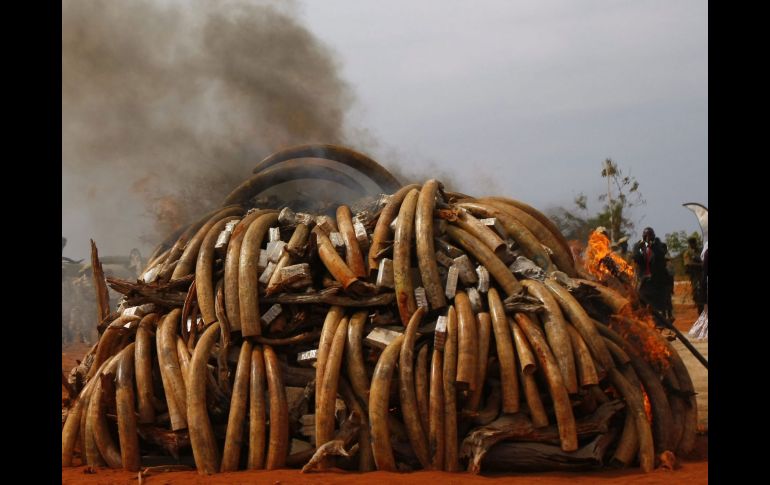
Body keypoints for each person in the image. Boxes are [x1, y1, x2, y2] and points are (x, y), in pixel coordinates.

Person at [632, 227, 672, 321]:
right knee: (644, 305)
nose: (648, 238)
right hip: (644, 281)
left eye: (650, 236)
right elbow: (636, 258)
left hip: (657, 281)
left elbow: (661, 255)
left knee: (659, 306)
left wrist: (652, 246)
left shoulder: (659, 245)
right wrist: (642, 248)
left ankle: (662, 321)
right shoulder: (639, 246)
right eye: (646, 236)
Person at [682, 236, 705, 314]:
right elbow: (688, 264)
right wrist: (701, 264)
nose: (693, 244)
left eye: (694, 242)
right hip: (695, 276)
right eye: (691, 243)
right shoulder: (688, 253)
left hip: (703, 274)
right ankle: (700, 312)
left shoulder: (701, 250)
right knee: (698, 294)